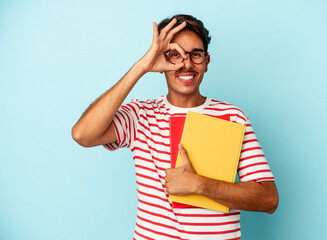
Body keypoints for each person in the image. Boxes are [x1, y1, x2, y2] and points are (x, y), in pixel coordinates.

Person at [72, 14, 278, 240]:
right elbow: (83, 134)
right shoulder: (140, 115)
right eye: (175, 55)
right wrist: (142, 66)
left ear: (207, 62)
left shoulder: (233, 116)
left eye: (195, 55)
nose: (186, 64)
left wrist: (199, 184)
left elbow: (268, 199)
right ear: (161, 61)